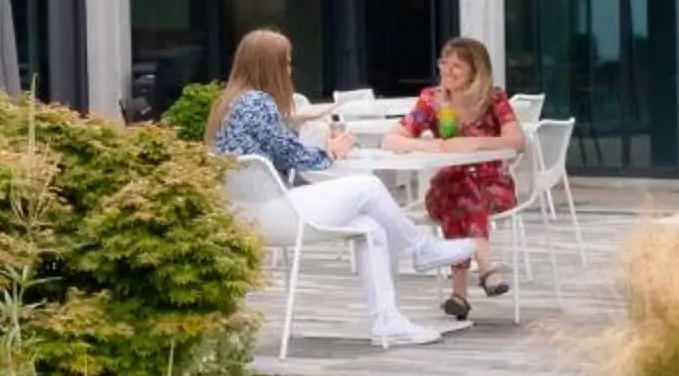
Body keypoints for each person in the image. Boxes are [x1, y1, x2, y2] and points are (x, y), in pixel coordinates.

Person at [207, 28, 475, 350]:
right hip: (273, 211)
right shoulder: (257, 102)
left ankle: (387, 323)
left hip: (250, 213)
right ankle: (421, 249)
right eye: (286, 64)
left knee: (371, 228)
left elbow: (279, 148)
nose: (290, 71)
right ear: (269, 66)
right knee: (368, 186)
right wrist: (332, 152)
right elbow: (295, 156)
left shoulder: (231, 102)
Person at [391, 36, 528, 322]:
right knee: (461, 189)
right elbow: (391, 140)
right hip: (446, 188)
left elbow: (517, 140)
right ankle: (486, 266)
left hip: (494, 186)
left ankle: (460, 293)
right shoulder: (432, 100)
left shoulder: (494, 98)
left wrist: (474, 144)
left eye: (457, 66)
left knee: (464, 193)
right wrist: (432, 146)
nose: (448, 71)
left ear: (476, 72)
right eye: (444, 63)